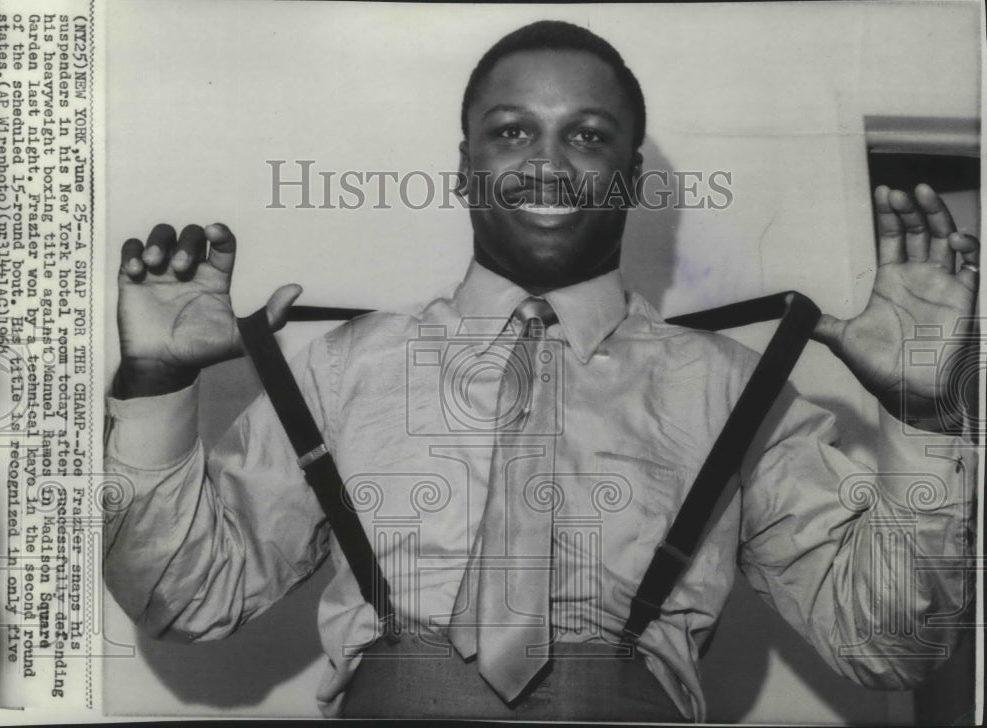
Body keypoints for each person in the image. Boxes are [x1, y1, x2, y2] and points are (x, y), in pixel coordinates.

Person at [104, 20, 979, 721]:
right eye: (513, 131)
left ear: (631, 178)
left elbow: (891, 648)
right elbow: (185, 600)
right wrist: (155, 384)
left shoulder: (734, 388)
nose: (549, 164)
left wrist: (922, 410)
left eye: (588, 136)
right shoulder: (338, 370)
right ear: (465, 167)